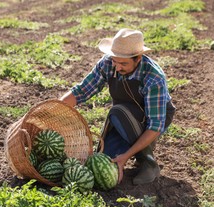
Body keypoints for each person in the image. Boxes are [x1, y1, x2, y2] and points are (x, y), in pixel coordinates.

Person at [59, 28, 176, 185]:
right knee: (105, 159)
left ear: (138, 58)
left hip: (152, 119)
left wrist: (126, 156)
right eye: (115, 61)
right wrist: (53, 111)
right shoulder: (108, 64)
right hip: (123, 118)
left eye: (123, 63)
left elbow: (155, 125)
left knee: (118, 111)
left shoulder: (153, 77)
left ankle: (147, 161)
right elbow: (81, 92)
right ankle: (130, 146)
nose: (117, 67)